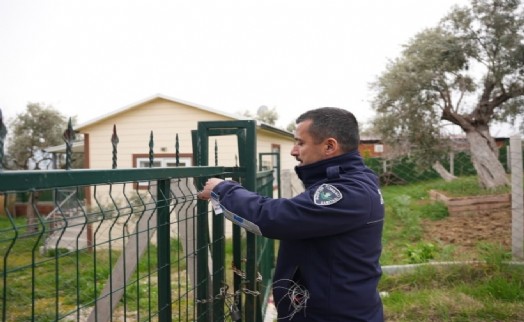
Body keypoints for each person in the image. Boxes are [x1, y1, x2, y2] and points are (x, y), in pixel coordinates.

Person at [198, 107, 384, 321]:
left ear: (329, 146)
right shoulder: (354, 180)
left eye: (300, 143)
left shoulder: (346, 192)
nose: (293, 151)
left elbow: (274, 218)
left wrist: (223, 190)